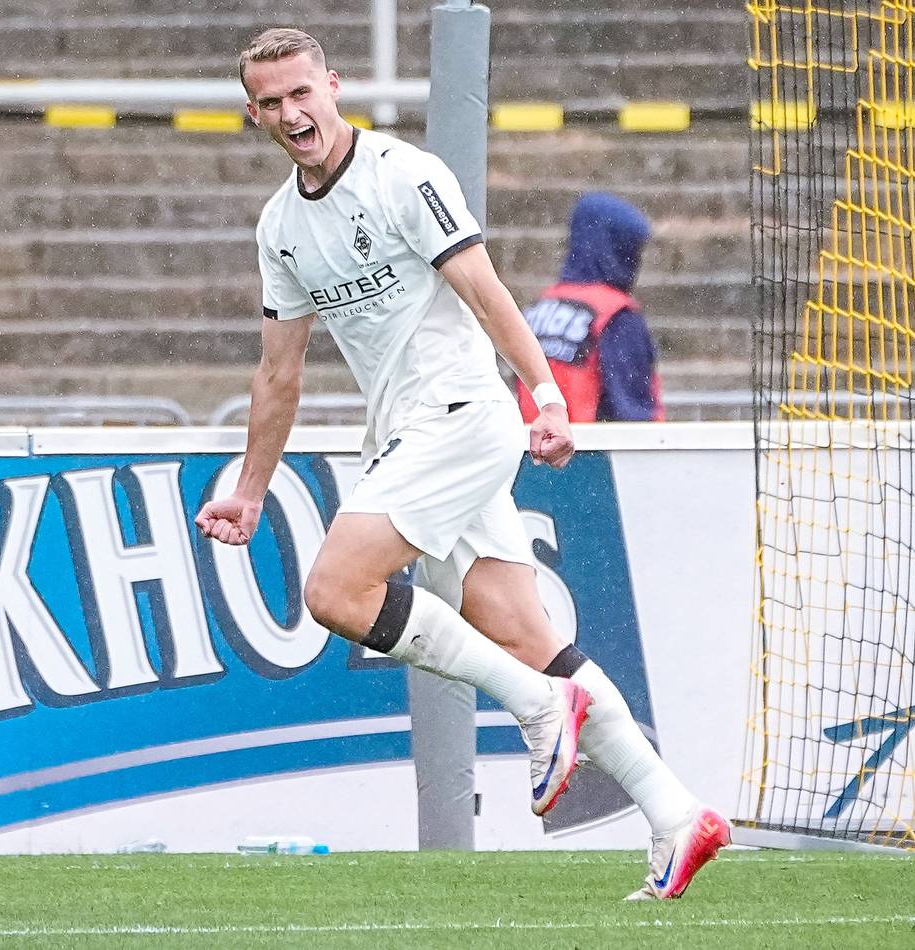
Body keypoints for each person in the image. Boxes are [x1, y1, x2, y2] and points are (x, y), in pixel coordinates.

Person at [194, 27, 729, 900]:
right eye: (272, 102)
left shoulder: (405, 174)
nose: (293, 113)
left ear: (334, 86)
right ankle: (677, 814)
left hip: (463, 418)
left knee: (334, 591)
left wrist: (546, 398)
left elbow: (485, 291)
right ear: (252, 114)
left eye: (304, 93)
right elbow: (277, 373)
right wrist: (249, 492)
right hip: (410, 435)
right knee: (529, 635)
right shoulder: (281, 228)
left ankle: (531, 707)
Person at [517, 192, 665, 423]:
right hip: (593, 451)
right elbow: (634, 414)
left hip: (533, 447)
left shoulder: (538, 309)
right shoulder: (616, 317)